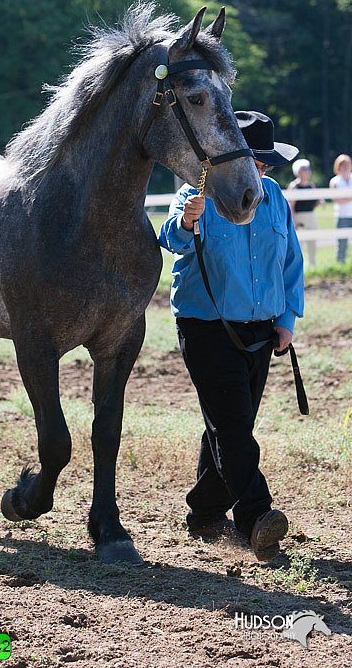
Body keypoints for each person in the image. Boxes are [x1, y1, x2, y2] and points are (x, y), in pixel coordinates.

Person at [159, 111, 304, 560]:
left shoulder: (275, 197)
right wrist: (187, 221)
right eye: (255, 163)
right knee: (233, 426)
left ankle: (204, 512)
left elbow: (290, 263)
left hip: (262, 329)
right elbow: (170, 241)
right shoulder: (196, 194)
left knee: (227, 425)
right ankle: (256, 514)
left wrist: (287, 319)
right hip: (207, 328)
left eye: (264, 166)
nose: (258, 173)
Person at [288, 158, 319, 269]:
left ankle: (312, 266)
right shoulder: (294, 186)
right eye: (305, 169)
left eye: (308, 169)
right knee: (299, 244)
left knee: (312, 243)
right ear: (299, 171)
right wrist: (293, 220)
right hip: (299, 217)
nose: (308, 171)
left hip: (311, 216)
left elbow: (314, 202)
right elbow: (290, 205)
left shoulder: (312, 185)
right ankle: (299, 267)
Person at [329, 154, 352, 264]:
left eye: (347, 164)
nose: (345, 167)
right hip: (342, 215)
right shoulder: (335, 181)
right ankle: (341, 264)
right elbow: (337, 199)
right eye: (342, 165)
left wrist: (346, 198)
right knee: (342, 243)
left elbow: (342, 199)